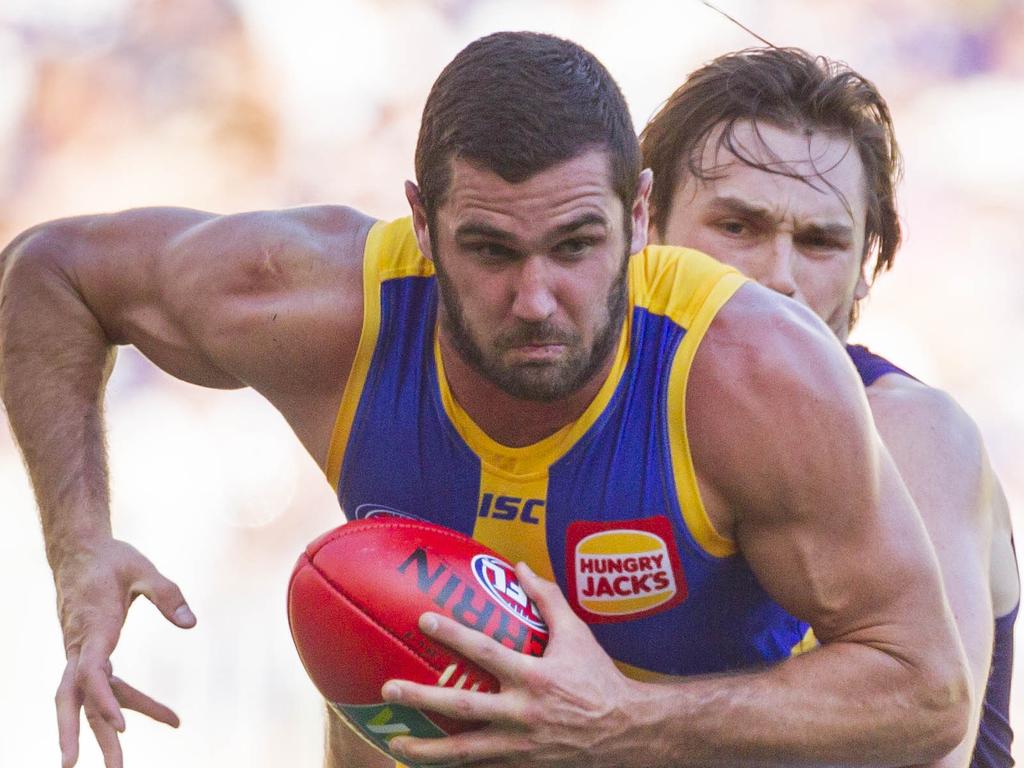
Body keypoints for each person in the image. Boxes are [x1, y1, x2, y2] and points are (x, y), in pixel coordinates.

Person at [0, 32, 970, 768]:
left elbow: (927, 697)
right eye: (491, 250)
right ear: (422, 222)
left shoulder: (749, 371)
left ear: (638, 218)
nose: (536, 298)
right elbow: (50, 275)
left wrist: (619, 722)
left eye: (577, 247)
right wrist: (79, 553)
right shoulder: (327, 306)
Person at [640, 46, 1018, 768]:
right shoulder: (575, 425)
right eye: (737, 227)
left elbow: (926, 752)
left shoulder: (911, 436)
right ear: (643, 229)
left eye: (819, 242)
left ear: (863, 279)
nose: (776, 278)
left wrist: (617, 722)